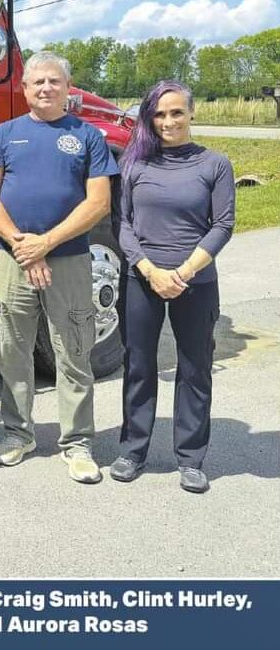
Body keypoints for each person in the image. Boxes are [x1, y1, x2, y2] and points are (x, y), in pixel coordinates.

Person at [0, 51, 118, 484]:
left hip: (70, 260)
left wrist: (46, 245)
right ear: (24, 88)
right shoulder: (4, 134)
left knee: (73, 351)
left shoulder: (88, 136)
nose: (45, 88)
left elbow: (99, 202)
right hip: (14, 259)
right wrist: (24, 247)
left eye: (54, 82)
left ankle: (77, 444)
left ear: (67, 88)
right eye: (37, 82)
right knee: (13, 352)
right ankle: (18, 435)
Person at [111, 81, 234, 493]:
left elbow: (223, 225)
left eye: (176, 112)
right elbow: (123, 225)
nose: (168, 121)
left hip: (195, 280)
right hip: (141, 278)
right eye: (160, 114)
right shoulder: (134, 164)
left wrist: (182, 273)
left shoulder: (215, 164)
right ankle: (132, 451)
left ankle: (191, 457)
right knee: (140, 366)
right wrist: (149, 270)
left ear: (191, 113)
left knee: (195, 367)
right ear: (149, 117)